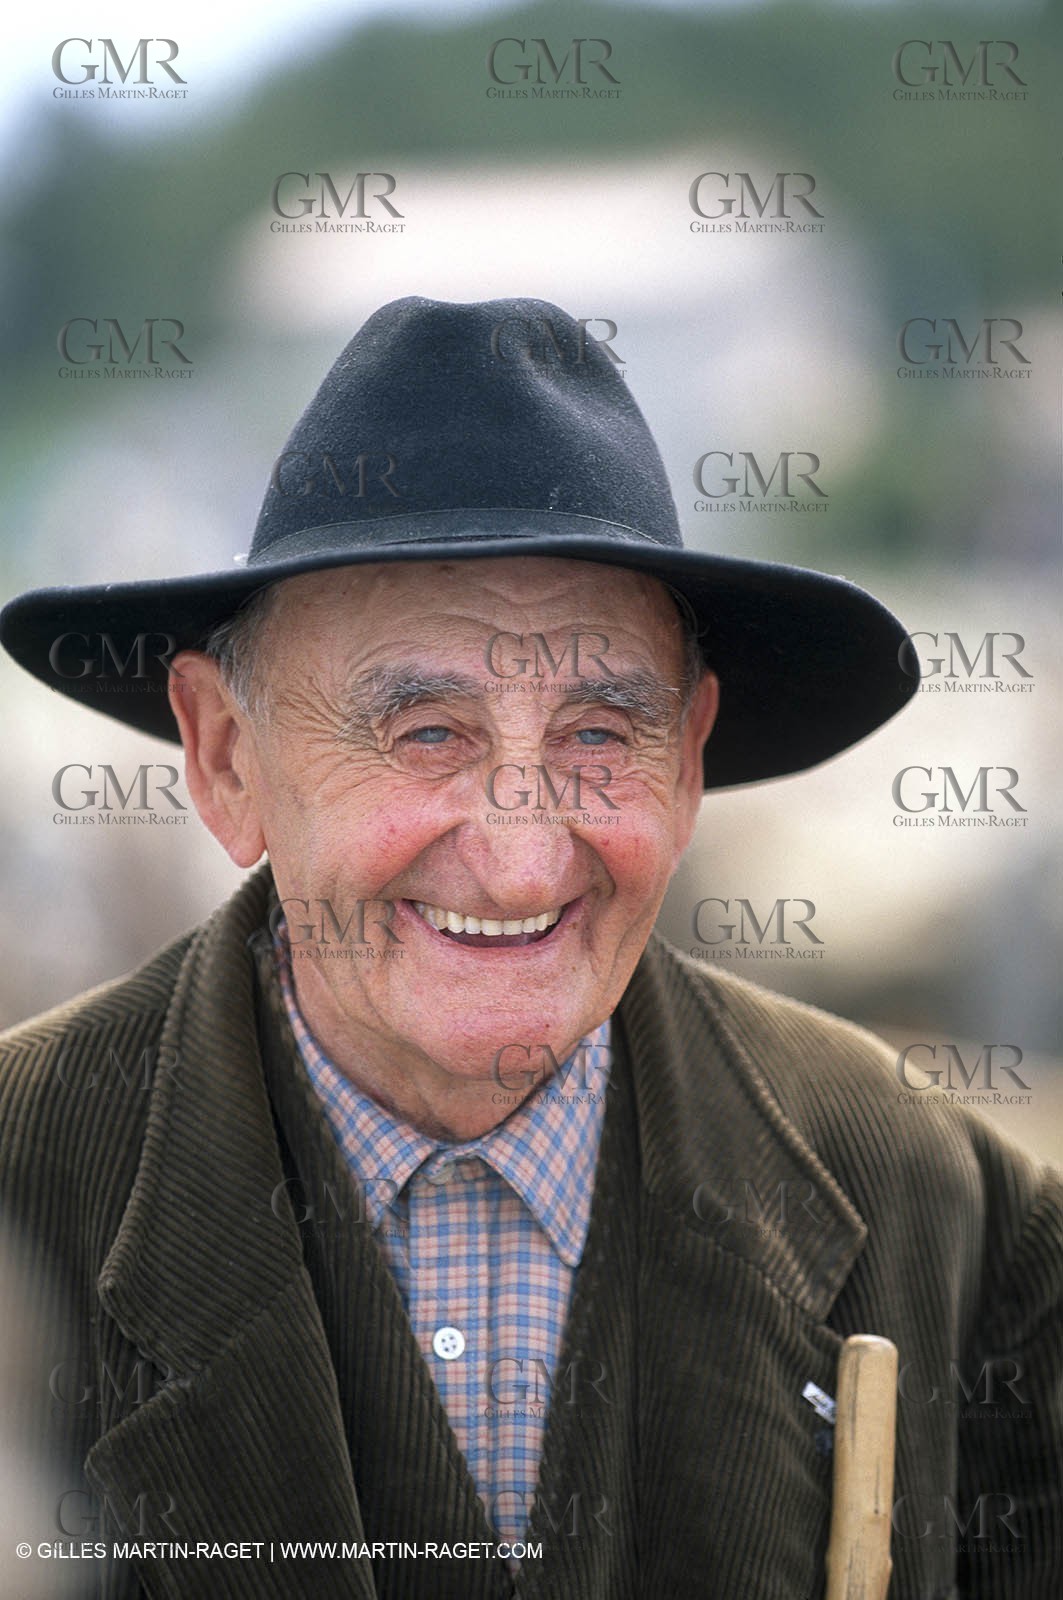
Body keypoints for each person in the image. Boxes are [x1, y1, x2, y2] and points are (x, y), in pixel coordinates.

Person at [1, 296, 1059, 1600]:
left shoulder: (960, 1227)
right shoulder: (23, 1192)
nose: (518, 856)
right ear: (228, 761)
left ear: (687, 767)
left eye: (599, 736)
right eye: (426, 732)